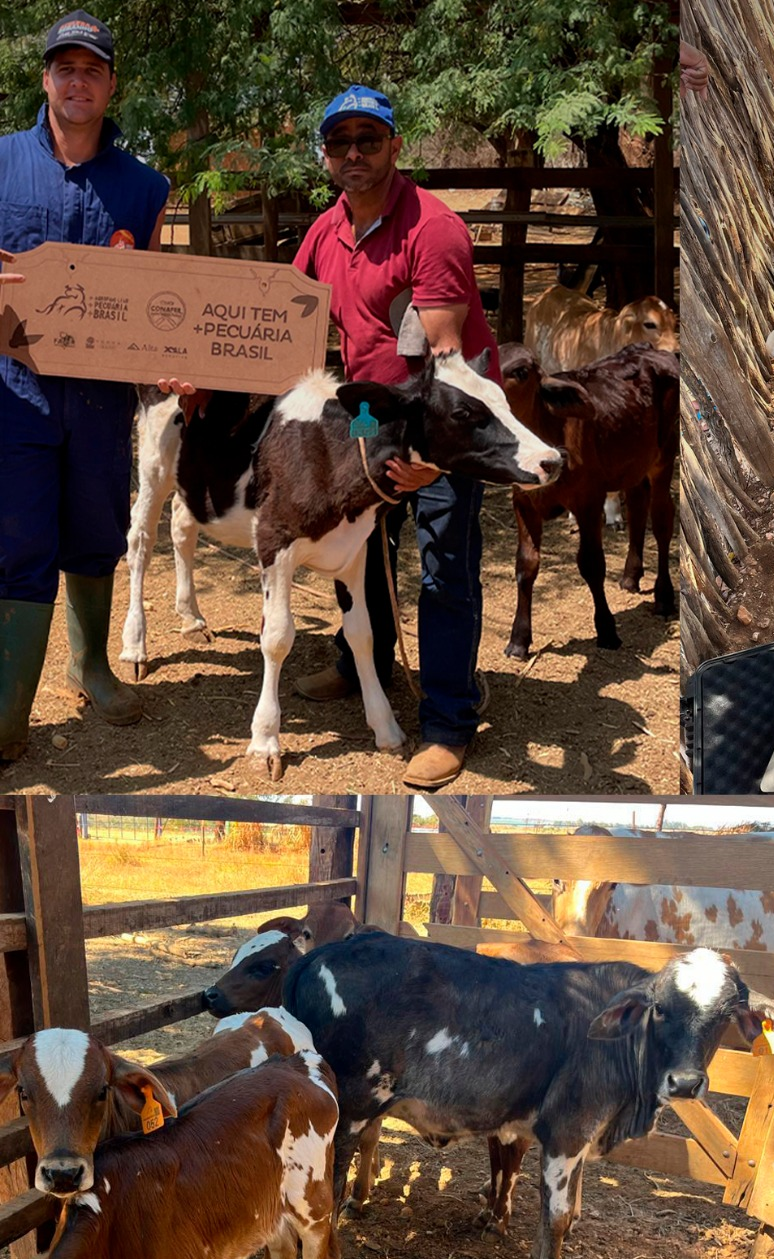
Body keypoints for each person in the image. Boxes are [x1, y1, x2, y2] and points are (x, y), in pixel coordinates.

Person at [290, 85, 501, 792]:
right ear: (325, 154)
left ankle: (447, 722)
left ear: (394, 146)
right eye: (339, 142)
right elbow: (281, 321)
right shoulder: (326, 232)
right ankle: (361, 667)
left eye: (368, 140)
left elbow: (445, 360)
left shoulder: (431, 230)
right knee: (362, 540)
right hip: (365, 417)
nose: (353, 153)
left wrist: (431, 458)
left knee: (443, 562)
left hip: (439, 419)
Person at [0, 10, 170, 765]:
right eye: (64, 68)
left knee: (96, 530)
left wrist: (173, 358)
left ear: (110, 84)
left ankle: (90, 664)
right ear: (45, 79)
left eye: (91, 70)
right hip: (16, 390)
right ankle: (9, 708)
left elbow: (163, 299)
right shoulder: (1, 162)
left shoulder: (143, 186)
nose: (77, 81)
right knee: (20, 541)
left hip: (102, 399)